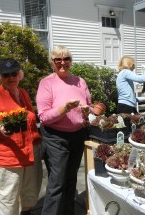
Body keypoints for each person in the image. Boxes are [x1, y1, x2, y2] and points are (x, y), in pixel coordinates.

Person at [0, 58, 43, 215]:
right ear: (0, 77)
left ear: (20, 74)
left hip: (30, 152)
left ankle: (26, 212)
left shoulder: (23, 93)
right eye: (6, 75)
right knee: (8, 199)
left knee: (30, 192)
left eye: (14, 74)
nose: (11, 78)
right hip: (7, 157)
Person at [36, 45, 92, 215]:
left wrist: (87, 110)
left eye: (66, 59)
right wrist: (64, 108)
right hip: (55, 137)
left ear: (71, 61)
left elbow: (88, 104)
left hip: (77, 135)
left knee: (71, 178)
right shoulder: (47, 83)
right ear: (52, 62)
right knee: (57, 182)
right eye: (57, 59)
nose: (62, 63)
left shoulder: (80, 81)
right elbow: (44, 117)